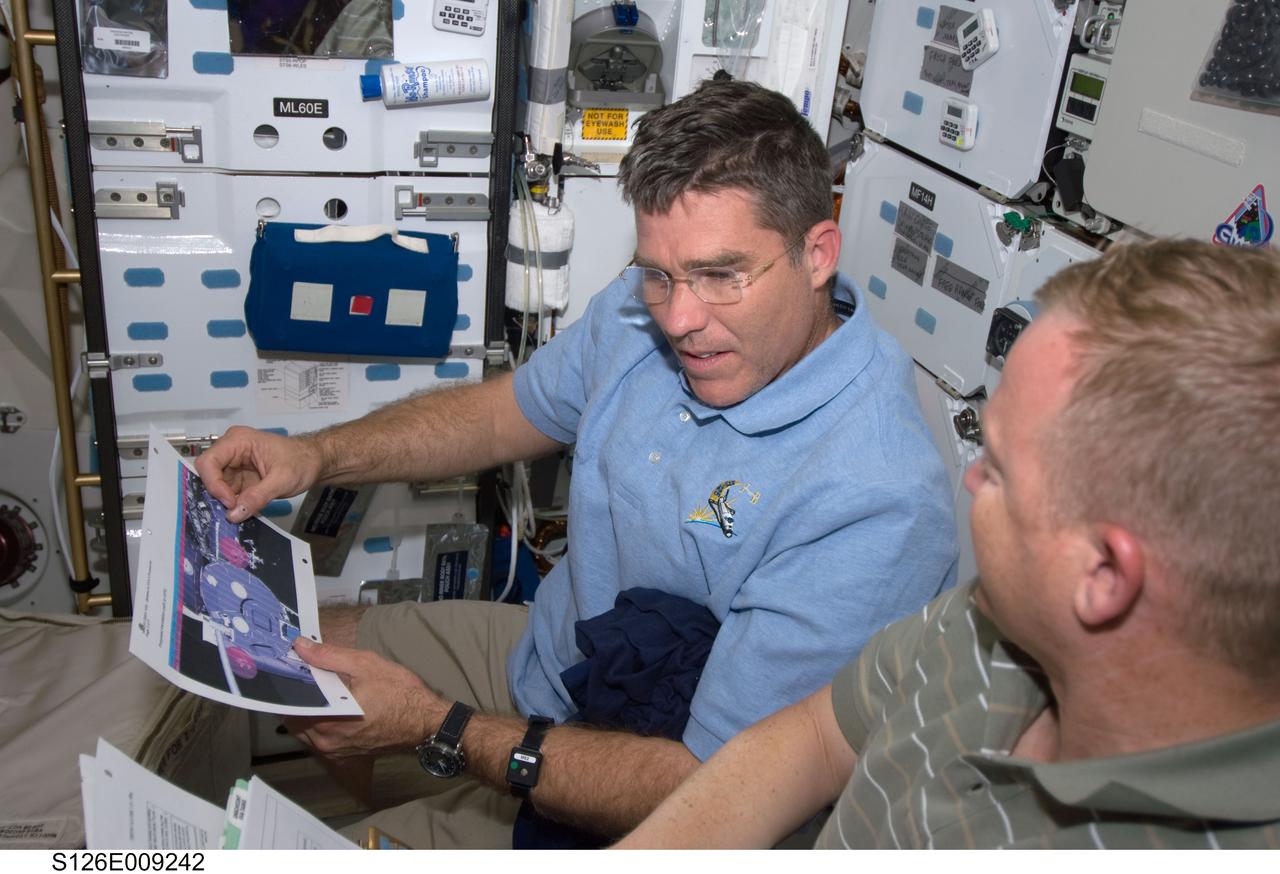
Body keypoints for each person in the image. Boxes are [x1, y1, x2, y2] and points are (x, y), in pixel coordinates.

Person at [196, 79, 957, 848]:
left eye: (722, 275)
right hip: (551, 662)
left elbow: (710, 793)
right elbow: (504, 414)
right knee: (276, 645)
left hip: (672, 792)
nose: (682, 318)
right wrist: (318, 456)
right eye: (660, 273)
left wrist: (438, 728)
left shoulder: (877, 498)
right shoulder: (641, 308)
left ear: (817, 252)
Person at [617, 239, 1280, 849]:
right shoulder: (986, 621)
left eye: (995, 469)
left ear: (1103, 576)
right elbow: (816, 739)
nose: (966, 477)